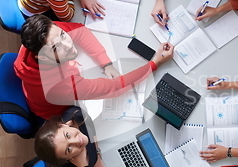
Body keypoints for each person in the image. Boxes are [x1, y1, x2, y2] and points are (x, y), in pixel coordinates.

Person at [14, 14, 174, 119]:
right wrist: (155, 63)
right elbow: (115, 88)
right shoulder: (62, 86)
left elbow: (80, 30)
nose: (68, 44)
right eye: (56, 48)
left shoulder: (42, 36)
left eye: (63, 35)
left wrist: (106, 63)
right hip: (56, 113)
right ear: (41, 57)